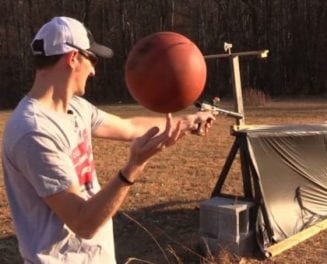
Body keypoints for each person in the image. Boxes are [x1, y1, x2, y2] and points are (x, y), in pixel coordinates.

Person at [1, 16, 214, 263]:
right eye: (91, 59)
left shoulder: (76, 108)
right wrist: (133, 167)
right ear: (72, 58)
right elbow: (83, 222)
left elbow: (129, 126)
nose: (93, 70)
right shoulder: (34, 131)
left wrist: (187, 122)